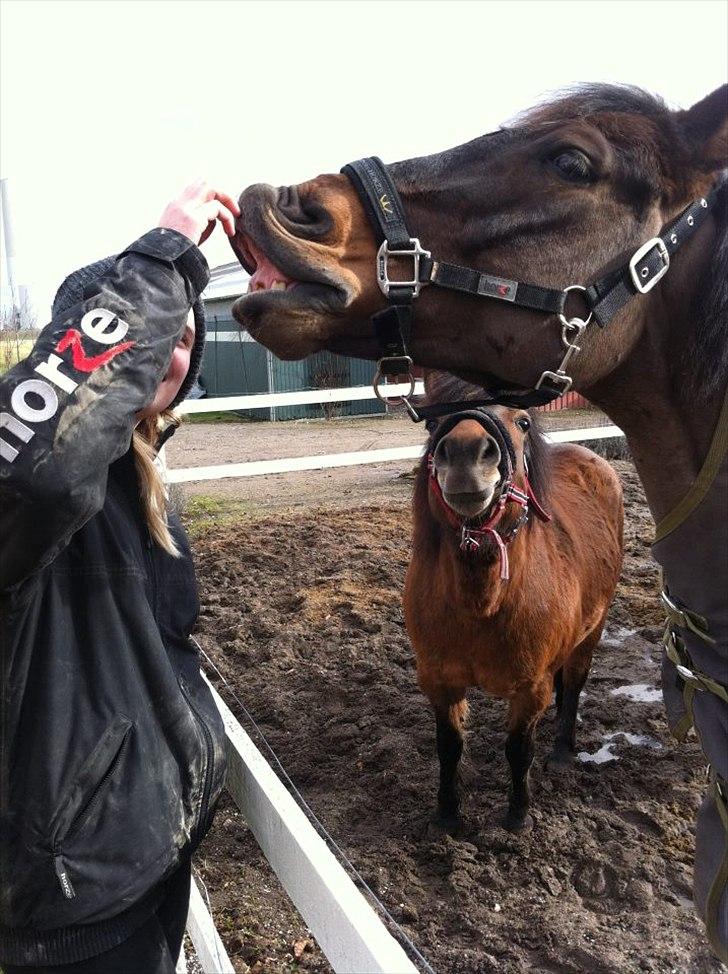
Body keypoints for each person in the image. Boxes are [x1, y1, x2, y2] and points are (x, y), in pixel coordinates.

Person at [0, 182, 240, 972]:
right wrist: (165, 257)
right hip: (68, 912)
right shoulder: (43, 485)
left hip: (137, 872)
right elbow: (37, 469)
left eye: (185, 339)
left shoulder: (140, 481)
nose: (173, 353)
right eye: (159, 331)